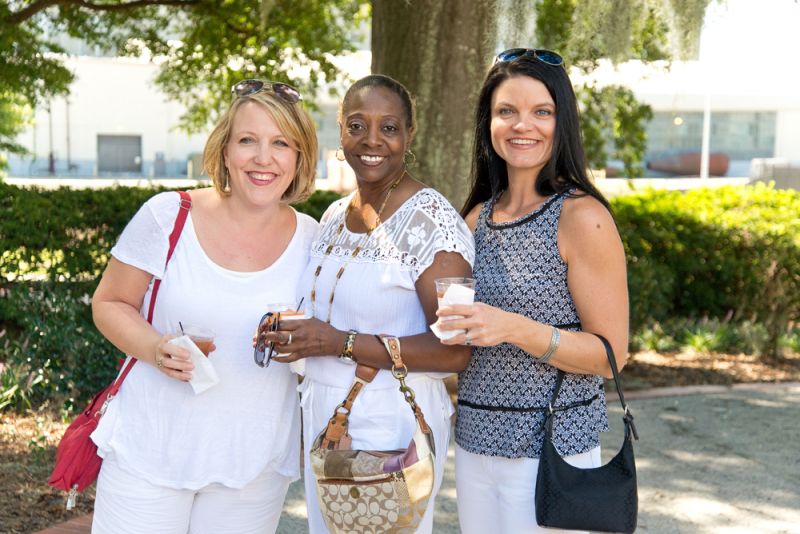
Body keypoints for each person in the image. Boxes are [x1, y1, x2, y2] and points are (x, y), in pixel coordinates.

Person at [89, 79, 319, 534]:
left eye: (280, 144)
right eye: (247, 140)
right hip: (151, 449)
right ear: (225, 149)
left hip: (253, 466)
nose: (263, 158)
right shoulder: (167, 215)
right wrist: (157, 347)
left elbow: (323, 338)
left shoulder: (314, 238)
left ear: (299, 157)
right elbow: (109, 302)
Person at [265, 74, 475, 533]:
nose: (372, 140)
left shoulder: (433, 222)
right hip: (326, 419)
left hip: (391, 421)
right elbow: (334, 312)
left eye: (389, 127)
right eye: (357, 125)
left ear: (409, 134)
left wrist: (340, 342)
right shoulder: (336, 215)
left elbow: (456, 349)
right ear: (340, 130)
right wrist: (294, 329)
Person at [437, 48, 630, 533]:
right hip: (476, 445)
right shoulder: (476, 218)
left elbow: (611, 355)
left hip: (551, 451)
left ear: (562, 121)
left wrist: (514, 328)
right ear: (489, 123)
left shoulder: (581, 217)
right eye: (507, 111)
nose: (523, 125)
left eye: (541, 111)